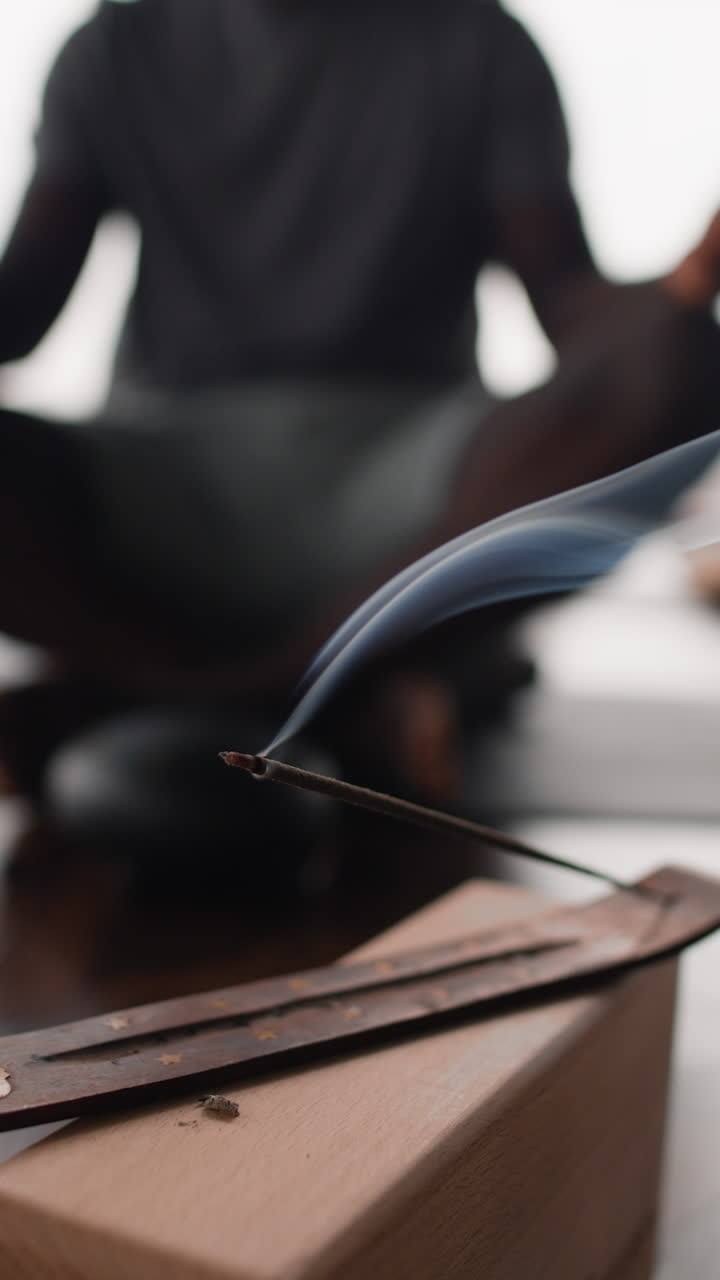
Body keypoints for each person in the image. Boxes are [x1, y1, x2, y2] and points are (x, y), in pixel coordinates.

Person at [1, 0, 719, 857]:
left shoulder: (476, 39)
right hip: (160, 479)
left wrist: (683, 289)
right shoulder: (115, 44)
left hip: (409, 496)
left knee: (683, 362)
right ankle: (340, 692)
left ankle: (160, 689)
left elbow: (571, 307)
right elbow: (21, 309)